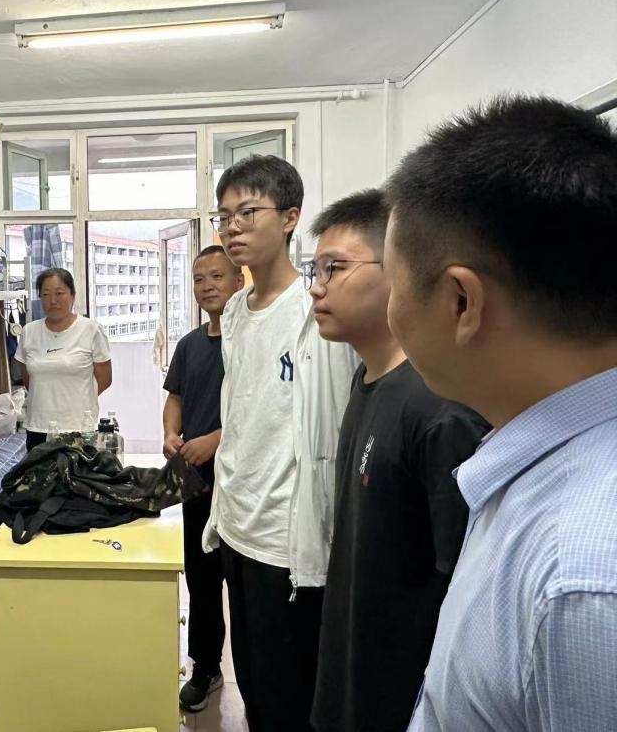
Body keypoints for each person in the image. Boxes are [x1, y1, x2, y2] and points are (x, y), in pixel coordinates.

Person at [383, 96, 617, 732]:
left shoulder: (580, 581)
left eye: (394, 282)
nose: (391, 308)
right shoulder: (536, 465)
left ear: (462, 302)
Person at [306, 188, 490, 732]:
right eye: (315, 269)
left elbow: (463, 589)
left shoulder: (439, 410)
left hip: (404, 697)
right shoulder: (367, 380)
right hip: (354, 674)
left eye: (334, 268)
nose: (316, 286)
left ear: (400, 269)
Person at [204, 154, 356, 731]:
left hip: (286, 539)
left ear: (290, 218)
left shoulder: (315, 310)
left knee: (289, 695)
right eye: (224, 217)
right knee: (252, 682)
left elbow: (335, 425)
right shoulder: (235, 311)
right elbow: (242, 411)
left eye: (247, 213)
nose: (232, 228)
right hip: (236, 524)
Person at [162, 244, 244, 713]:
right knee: (202, 576)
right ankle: (205, 666)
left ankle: (258, 678)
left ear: (239, 281)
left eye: (217, 276)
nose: (207, 285)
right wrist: (170, 433)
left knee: (245, 581)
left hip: (243, 477)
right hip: (195, 479)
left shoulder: (250, 342)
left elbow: (267, 409)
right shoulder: (189, 345)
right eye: (198, 278)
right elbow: (174, 397)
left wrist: (215, 439)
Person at [15, 267, 113, 451]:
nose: (53, 300)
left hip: (79, 427)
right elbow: (29, 380)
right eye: (45, 294)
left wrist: (73, 399)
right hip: (38, 426)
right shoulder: (29, 331)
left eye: (59, 293)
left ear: (73, 295)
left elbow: (105, 379)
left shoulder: (91, 329)